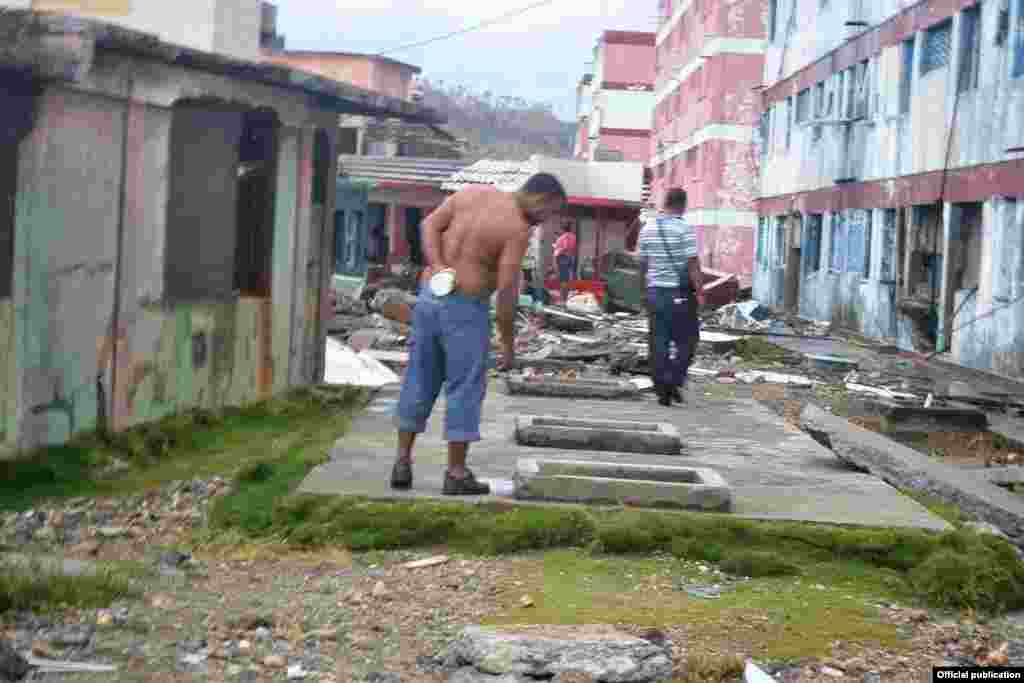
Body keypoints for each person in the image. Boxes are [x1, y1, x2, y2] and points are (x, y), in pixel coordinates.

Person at [390, 173, 567, 495]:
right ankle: (456, 473)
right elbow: (507, 291)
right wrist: (509, 345)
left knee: (418, 378)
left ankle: (402, 462)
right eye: (550, 212)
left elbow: (428, 225)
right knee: (465, 388)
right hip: (466, 309)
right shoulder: (517, 228)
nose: (545, 220)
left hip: (430, 298)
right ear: (541, 198)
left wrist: (441, 266)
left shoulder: (471, 193)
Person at [638, 188, 705, 407]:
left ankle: (661, 388)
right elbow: (693, 264)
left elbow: (642, 264)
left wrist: (643, 291)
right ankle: (673, 379)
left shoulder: (648, 228)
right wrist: (701, 292)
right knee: (688, 340)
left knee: (658, 341)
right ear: (682, 205)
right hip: (680, 294)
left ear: (665, 203)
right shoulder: (684, 228)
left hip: (655, 293)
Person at [553, 222, 577, 306]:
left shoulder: (563, 237)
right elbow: (571, 247)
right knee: (566, 279)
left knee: (563, 279)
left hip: (563, 258)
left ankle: (563, 299)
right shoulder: (573, 236)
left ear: (562, 229)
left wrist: (558, 251)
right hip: (570, 257)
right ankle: (565, 298)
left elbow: (565, 246)